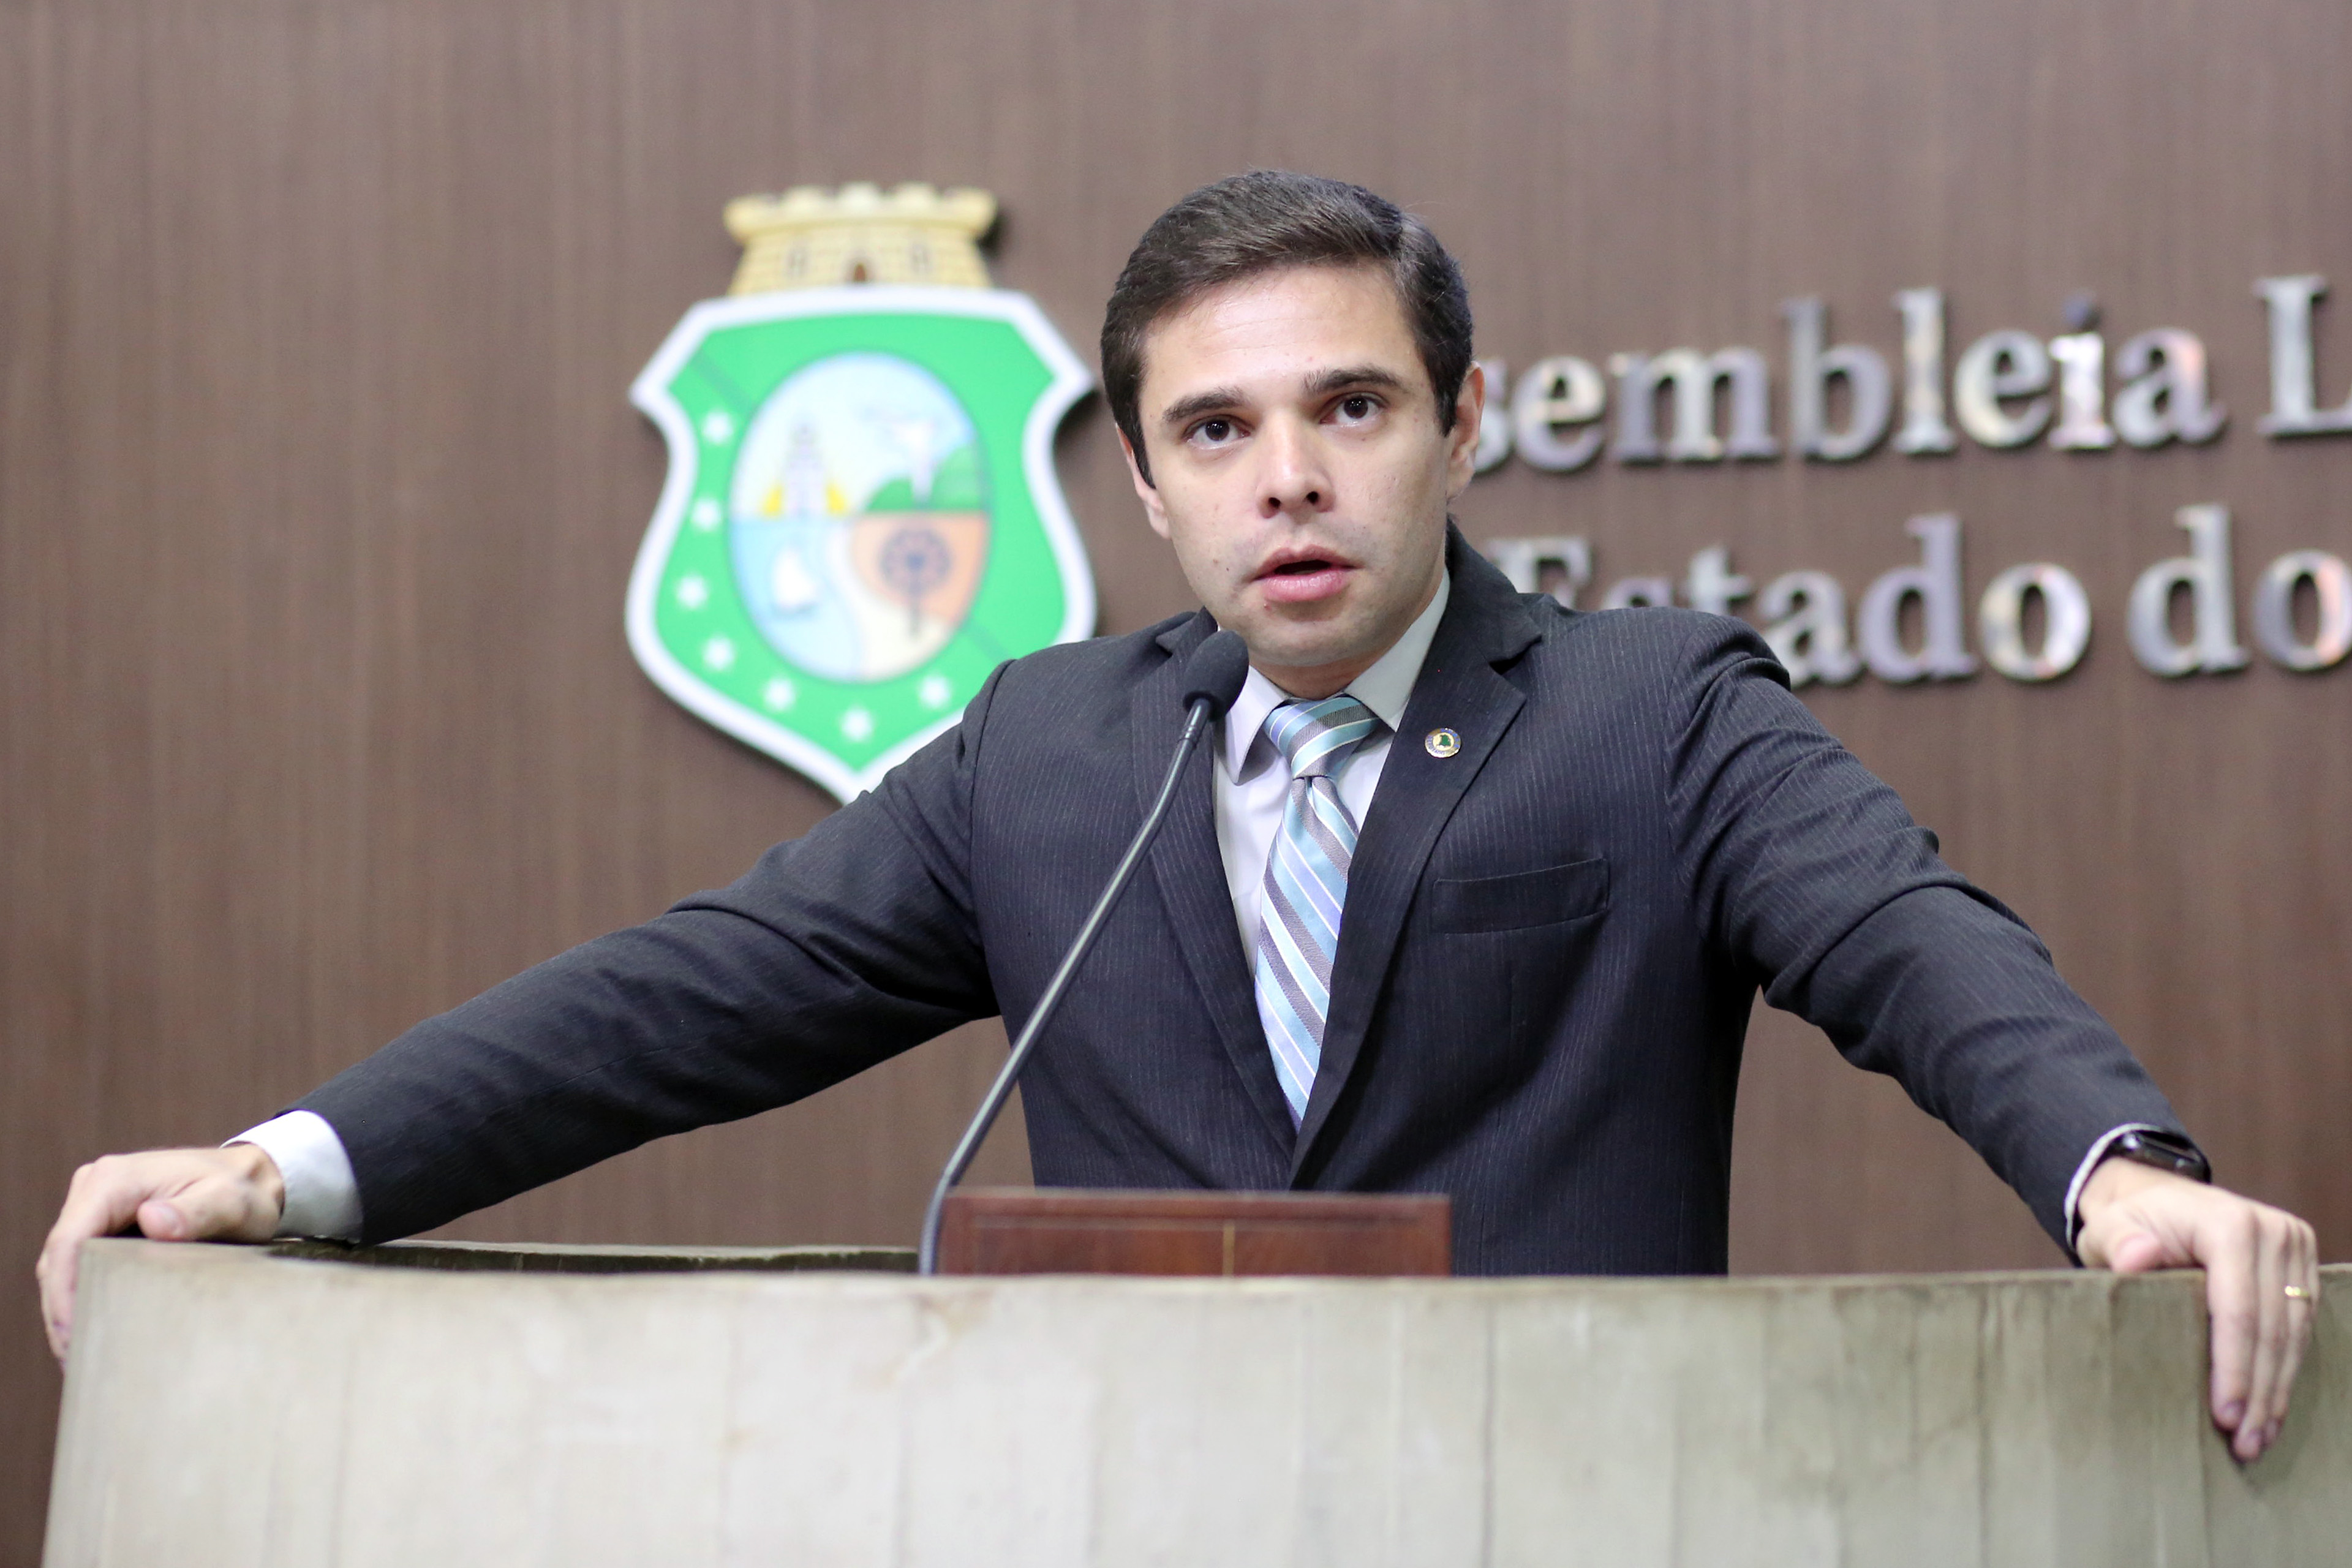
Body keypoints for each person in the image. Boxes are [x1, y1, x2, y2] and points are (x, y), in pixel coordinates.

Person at [39, 172, 2318, 1461]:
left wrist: (2112, 1166)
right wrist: (285, 1167)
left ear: (1461, 425)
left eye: (1351, 408)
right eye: (1217, 432)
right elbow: (692, 996)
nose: (1288, 477)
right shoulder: (1053, 756)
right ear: (1142, 481)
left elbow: (1904, 930)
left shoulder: (1650, 715)